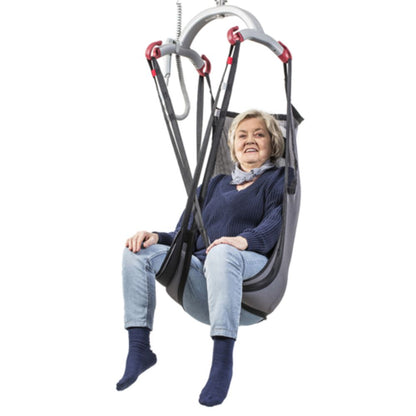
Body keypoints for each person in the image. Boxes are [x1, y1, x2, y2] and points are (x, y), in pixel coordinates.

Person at [116, 109, 285, 406]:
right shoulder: (214, 184)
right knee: (137, 251)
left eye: (259, 134)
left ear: (273, 143)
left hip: (253, 279)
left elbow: (275, 225)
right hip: (204, 281)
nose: (250, 140)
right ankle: (140, 348)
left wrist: (242, 241)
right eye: (242, 135)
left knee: (221, 251)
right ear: (232, 147)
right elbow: (184, 233)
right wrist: (155, 237)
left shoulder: (280, 179)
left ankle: (222, 364)